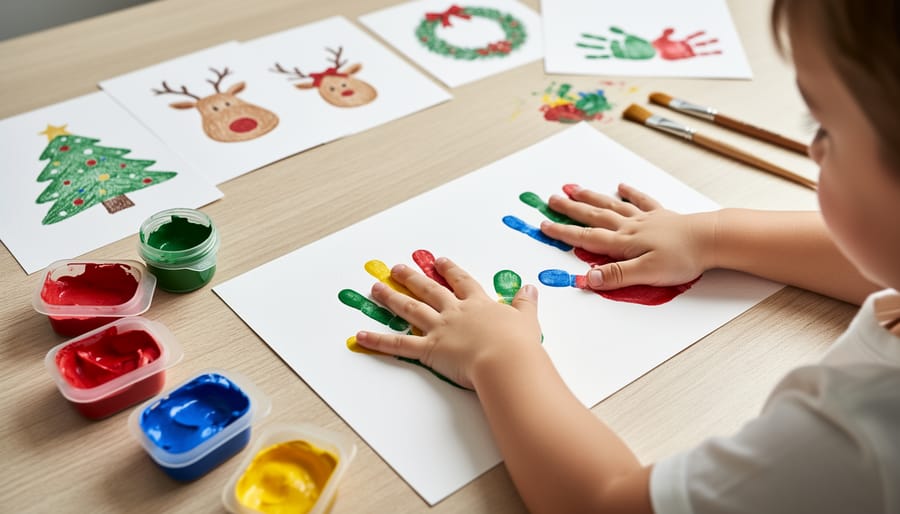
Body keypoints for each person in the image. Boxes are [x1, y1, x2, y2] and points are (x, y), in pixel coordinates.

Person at [354, 0, 900, 511]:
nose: (812, 150)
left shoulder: (861, 434)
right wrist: (712, 235)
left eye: (823, 126)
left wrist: (499, 357)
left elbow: (603, 502)